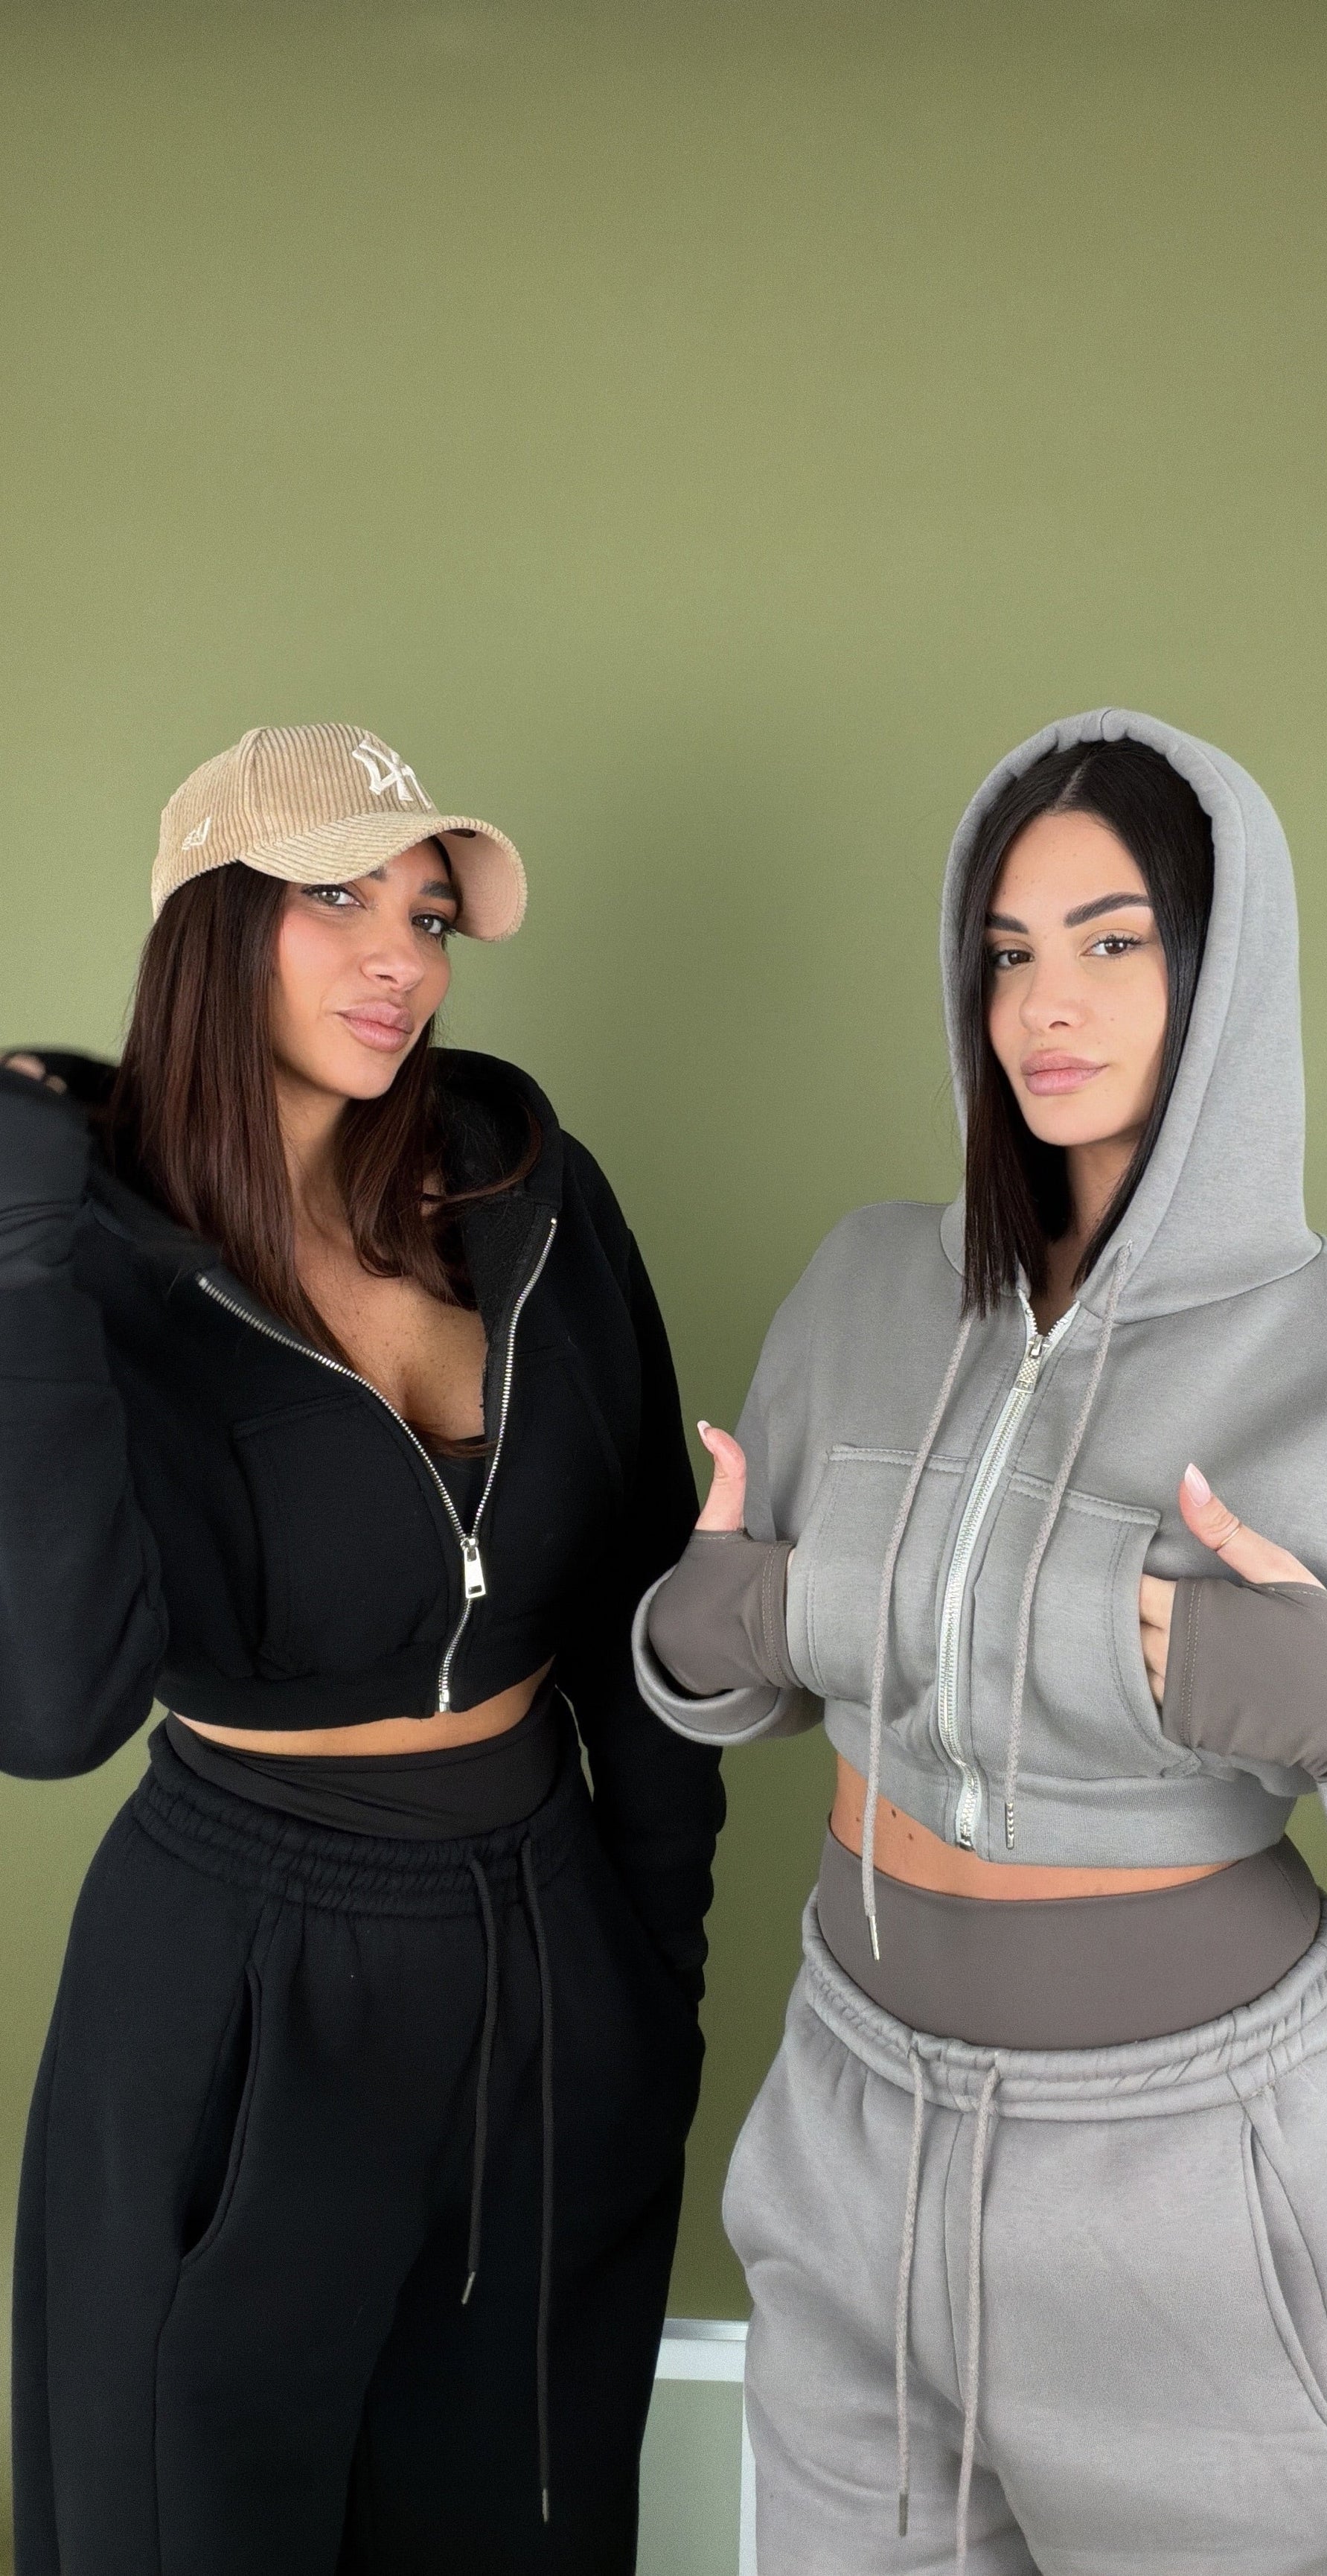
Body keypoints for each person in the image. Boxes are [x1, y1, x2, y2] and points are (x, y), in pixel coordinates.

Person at [633, 710, 1327, 2575]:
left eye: (1110, 941)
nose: (1041, 1005)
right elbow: (746, 1658)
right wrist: (707, 1625)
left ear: (1224, 970)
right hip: (848, 2131)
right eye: (1005, 951)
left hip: (1210, 2200)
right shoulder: (861, 1281)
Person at [0, 722, 723, 2576]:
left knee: (522, 2515)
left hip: (542, 1946)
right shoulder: (87, 1257)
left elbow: (645, 1583)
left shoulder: (526, 1193)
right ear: (207, 926)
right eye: (335, 897)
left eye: (428, 913)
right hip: (239, 1972)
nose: (400, 956)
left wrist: (654, 1969)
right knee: (193, 2518)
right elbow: (55, 1703)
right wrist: (16, 1254)